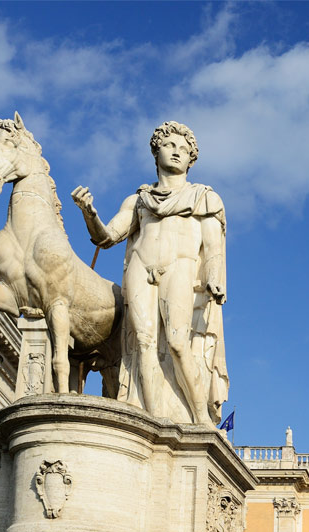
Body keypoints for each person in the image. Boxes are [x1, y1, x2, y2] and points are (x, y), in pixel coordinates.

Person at [71, 121, 228, 426]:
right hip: (141, 267)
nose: (177, 152)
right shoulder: (139, 200)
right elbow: (107, 238)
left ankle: (200, 417)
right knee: (142, 343)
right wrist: (89, 213)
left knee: (178, 342)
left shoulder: (204, 197)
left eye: (184, 149)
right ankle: (153, 420)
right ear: (156, 153)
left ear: (191, 159)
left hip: (179, 267)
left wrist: (215, 277)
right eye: (170, 146)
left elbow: (213, 246)